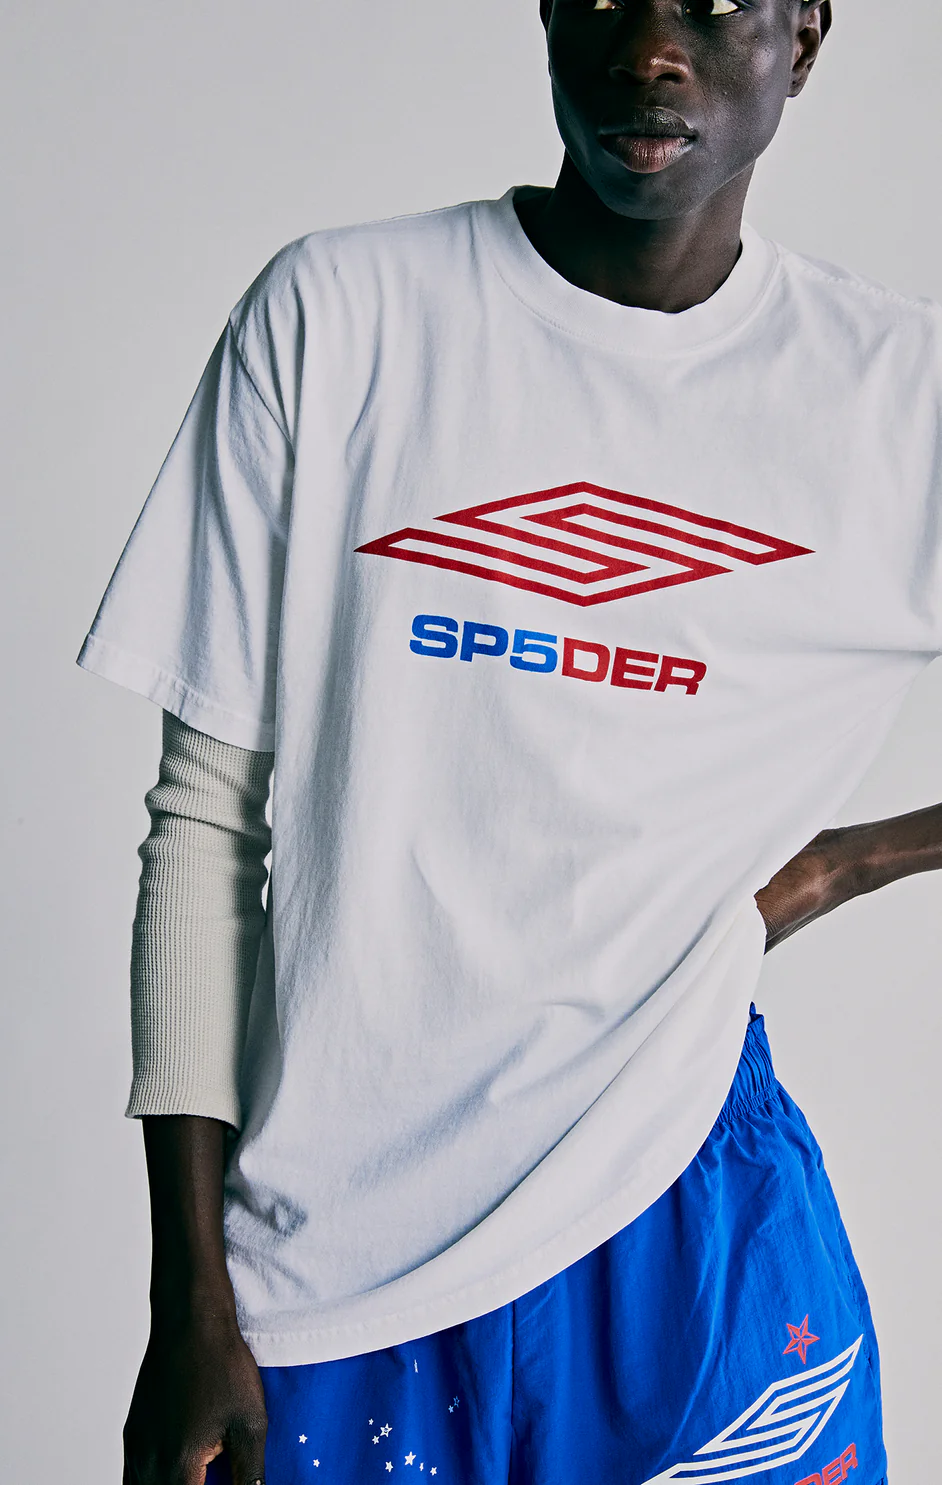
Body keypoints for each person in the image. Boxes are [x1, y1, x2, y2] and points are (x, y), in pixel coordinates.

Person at [79, 1, 942, 1481]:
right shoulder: (340, 316)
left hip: (689, 1209)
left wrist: (824, 872)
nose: (650, 50)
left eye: (712, 3)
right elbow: (206, 825)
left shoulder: (894, 399)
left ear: (803, 36)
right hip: (332, 1269)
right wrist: (189, 1297)